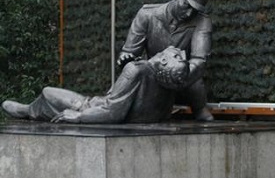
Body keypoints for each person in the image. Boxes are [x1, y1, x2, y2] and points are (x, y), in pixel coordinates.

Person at [1, 46, 189, 124]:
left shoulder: (137, 70)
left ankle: (28, 111)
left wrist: (79, 116)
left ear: (164, 61)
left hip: (94, 107)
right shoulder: (170, 81)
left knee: (48, 92)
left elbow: (113, 112)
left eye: (174, 55)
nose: (175, 50)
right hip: (123, 113)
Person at [117, 0, 214, 122]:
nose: (188, 13)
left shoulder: (202, 22)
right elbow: (130, 51)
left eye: (194, 10)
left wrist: (180, 72)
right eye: (186, 5)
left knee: (204, 115)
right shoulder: (146, 15)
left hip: (184, 78)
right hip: (153, 75)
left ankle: (199, 108)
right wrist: (126, 58)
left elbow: (199, 60)